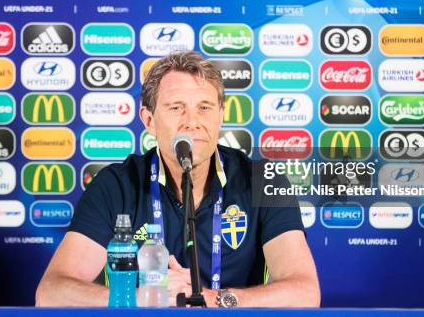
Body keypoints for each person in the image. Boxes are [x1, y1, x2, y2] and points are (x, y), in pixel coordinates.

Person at [35, 51, 320, 308]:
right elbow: (51, 292)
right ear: (149, 120)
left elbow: (305, 292)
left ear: (221, 116)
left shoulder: (264, 180)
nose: (192, 121)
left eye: (205, 107)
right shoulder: (114, 185)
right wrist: (140, 298)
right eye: (176, 108)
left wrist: (219, 299)